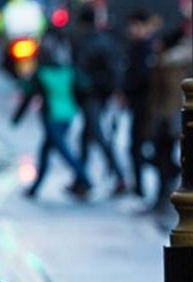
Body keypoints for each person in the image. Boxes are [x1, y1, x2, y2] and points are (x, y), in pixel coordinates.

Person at [12, 30, 93, 199]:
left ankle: (85, 179)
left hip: (52, 117)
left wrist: (17, 118)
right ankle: (35, 188)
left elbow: (29, 96)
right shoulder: (68, 70)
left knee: (63, 151)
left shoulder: (42, 74)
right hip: (68, 114)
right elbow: (84, 86)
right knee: (47, 151)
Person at [72, 7, 126, 195]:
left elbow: (81, 69)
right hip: (99, 94)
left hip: (92, 95)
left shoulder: (87, 42)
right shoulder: (104, 40)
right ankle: (81, 180)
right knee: (86, 137)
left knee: (95, 135)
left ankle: (119, 177)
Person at [142, 21, 189, 215]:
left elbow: (169, 96)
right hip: (167, 117)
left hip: (166, 118)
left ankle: (164, 195)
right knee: (162, 158)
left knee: (162, 158)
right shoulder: (167, 64)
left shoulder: (167, 66)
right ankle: (164, 193)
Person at [123, 8, 157, 198]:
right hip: (139, 104)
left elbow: (142, 77)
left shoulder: (147, 48)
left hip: (146, 106)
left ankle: (141, 188)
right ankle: (138, 187)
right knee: (137, 147)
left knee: (143, 147)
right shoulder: (137, 47)